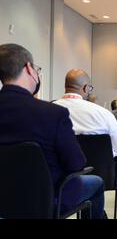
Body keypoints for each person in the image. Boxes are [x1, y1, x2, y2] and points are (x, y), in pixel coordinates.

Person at [0, 44, 105, 219]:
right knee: (96, 183)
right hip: (47, 199)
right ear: (29, 68)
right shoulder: (52, 113)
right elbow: (76, 164)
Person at [53, 69, 117, 219]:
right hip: (104, 173)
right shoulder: (102, 113)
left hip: (65, 175)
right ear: (85, 88)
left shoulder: (50, 110)